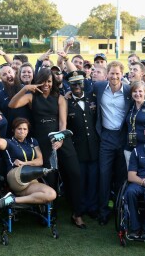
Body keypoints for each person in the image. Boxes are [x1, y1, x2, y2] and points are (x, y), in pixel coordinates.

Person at [8, 68, 86, 228]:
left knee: (75, 174)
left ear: (53, 82)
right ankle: (51, 213)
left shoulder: (59, 98)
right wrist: (24, 88)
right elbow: (12, 104)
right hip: (43, 142)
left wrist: (61, 138)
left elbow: (63, 123)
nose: (46, 84)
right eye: (43, 81)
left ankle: (77, 214)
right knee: (50, 178)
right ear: (38, 81)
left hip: (61, 139)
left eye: (49, 81)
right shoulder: (31, 97)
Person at [93, 60, 131, 225]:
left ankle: (120, 208)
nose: (114, 76)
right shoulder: (99, 87)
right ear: (107, 74)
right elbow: (77, 83)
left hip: (123, 136)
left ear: (122, 74)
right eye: (112, 73)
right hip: (106, 137)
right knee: (104, 175)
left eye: (117, 73)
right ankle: (103, 211)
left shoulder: (129, 90)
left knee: (122, 176)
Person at [0, 115, 57, 208]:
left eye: (25, 129)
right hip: (14, 176)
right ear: (13, 130)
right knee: (28, 172)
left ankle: (12, 199)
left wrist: (24, 163)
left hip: (30, 179)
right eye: (19, 129)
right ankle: (45, 171)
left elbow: (40, 161)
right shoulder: (9, 142)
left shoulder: (32, 141)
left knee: (51, 194)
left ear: (28, 131)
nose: (22, 131)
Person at [66, 70, 100, 219]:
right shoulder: (66, 103)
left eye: (79, 83)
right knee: (80, 179)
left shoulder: (93, 98)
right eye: (73, 84)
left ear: (84, 83)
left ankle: (92, 207)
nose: (77, 86)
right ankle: (80, 207)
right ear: (69, 85)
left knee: (93, 179)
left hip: (94, 146)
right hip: (77, 148)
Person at [0, 63, 31, 137]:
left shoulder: (27, 89)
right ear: (0, 78)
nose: (8, 75)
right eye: (4, 74)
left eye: (9, 72)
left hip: (30, 133)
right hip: (10, 136)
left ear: (14, 73)